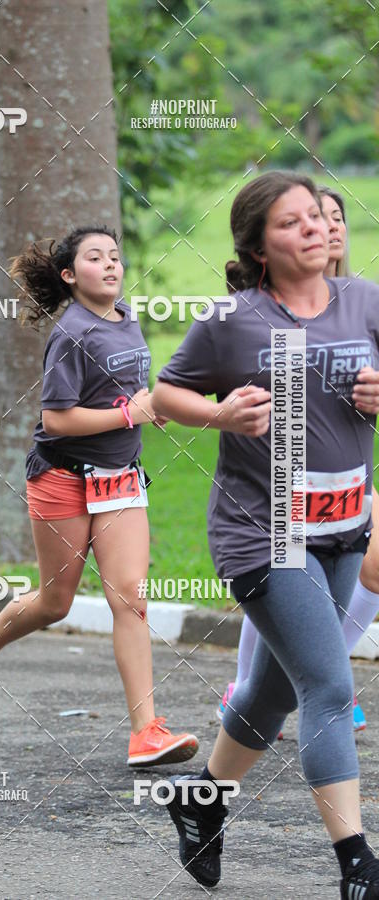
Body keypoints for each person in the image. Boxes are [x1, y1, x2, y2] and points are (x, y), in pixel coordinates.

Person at [151, 172, 379, 895]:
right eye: (291, 221)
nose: (313, 227)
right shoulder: (232, 319)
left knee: (273, 690)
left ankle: (201, 797)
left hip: (344, 526)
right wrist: (217, 415)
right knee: (329, 684)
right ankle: (357, 864)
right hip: (264, 533)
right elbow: (165, 393)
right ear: (257, 245)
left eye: (316, 215)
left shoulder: (366, 301)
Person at [0, 225, 199, 767]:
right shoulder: (72, 334)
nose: (111, 265)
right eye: (95, 258)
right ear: (69, 275)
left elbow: (124, 387)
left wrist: (144, 404)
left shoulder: (128, 317)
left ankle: (146, 732)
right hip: (63, 477)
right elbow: (57, 418)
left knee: (131, 599)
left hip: (120, 479)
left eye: (115, 256)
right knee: (54, 603)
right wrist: (127, 412)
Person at [217, 186, 379, 734]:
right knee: (286, 587)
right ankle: (270, 684)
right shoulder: (271, 314)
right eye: (314, 218)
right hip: (285, 490)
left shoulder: (361, 301)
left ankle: (310, 676)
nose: (328, 228)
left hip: (348, 483)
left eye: (335, 218)